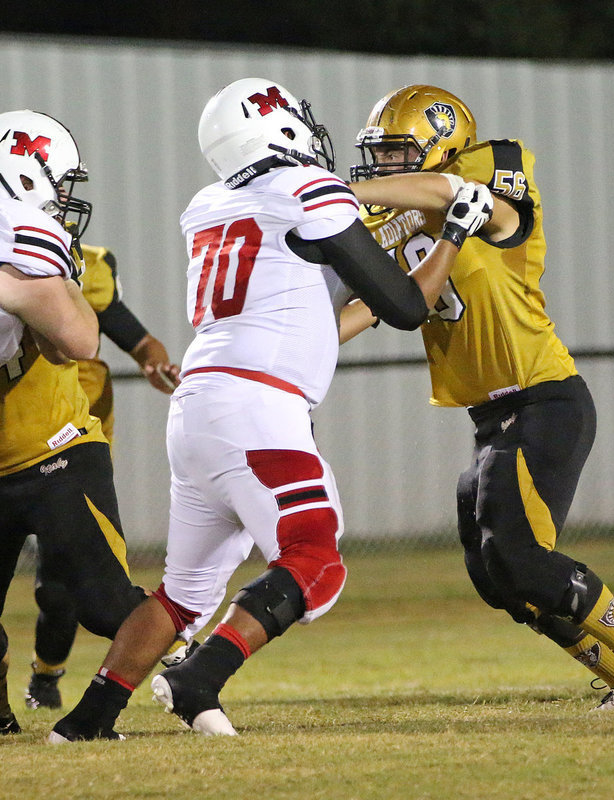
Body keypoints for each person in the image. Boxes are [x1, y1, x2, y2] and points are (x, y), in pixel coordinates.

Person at [49, 77, 492, 742]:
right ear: (277, 128)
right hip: (257, 404)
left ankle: (86, 721)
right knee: (316, 559)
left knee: (184, 594)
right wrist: (454, 231)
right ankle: (199, 678)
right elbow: (404, 306)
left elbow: (309, 285)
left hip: (200, 404)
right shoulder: (306, 190)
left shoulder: (208, 203)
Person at [342, 84, 614, 711]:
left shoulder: (486, 172)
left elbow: (450, 194)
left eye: (397, 154)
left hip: (544, 398)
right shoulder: (408, 225)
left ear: (441, 142)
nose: (383, 168)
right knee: (497, 576)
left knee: (522, 552)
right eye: (380, 156)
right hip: (493, 416)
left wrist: (340, 195)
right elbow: (374, 307)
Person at [0, 109, 148, 734]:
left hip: (51, 448)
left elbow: (77, 341)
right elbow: (77, 336)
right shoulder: (24, 227)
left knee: (103, 601)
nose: (63, 204)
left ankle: (194, 668)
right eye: (58, 185)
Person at [24, 236, 181, 711]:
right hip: (17, 445)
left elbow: (131, 334)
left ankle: (48, 678)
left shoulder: (87, 265)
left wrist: (153, 360)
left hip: (69, 450)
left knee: (66, 585)